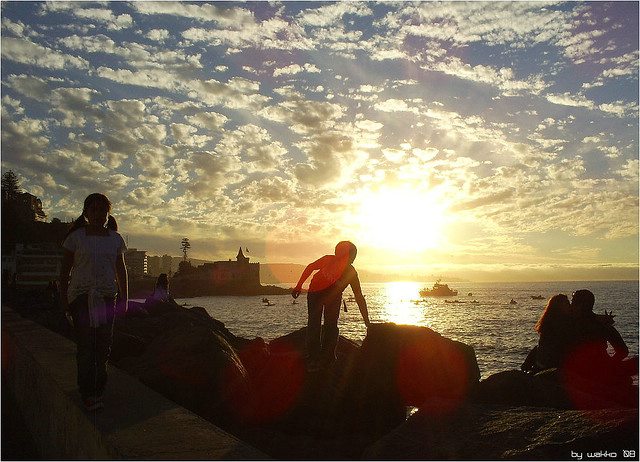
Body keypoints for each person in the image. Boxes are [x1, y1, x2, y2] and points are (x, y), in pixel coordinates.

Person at [59, 193, 128, 411]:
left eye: (103, 210)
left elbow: (121, 270)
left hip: (107, 296)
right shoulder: (76, 238)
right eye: (94, 210)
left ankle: (98, 390)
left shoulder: (116, 239)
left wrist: (125, 297)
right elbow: (64, 272)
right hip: (81, 296)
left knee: (104, 345)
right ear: (86, 213)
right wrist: (63, 300)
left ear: (108, 214)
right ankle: (88, 392)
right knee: (86, 345)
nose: (99, 214)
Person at [292, 241, 370, 371]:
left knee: (331, 325)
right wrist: (299, 285)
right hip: (315, 293)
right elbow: (311, 267)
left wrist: (366, 320)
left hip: (333, 296)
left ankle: (328, 357)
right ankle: (313, 357)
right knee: (314, 324)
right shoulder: (328, 260)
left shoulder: (351, 273)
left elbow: (359, 296)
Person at [565, 289, 637, 384]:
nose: (571, 305)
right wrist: (610, 364)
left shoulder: (571, 324)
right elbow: (623, 351)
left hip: (585, 370)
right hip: (598, 369)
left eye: (573, 302)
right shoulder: (603, 324)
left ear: (581, 305)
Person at [521, 294, 573, 373]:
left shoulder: (548, 322)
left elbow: (540, 347)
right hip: (549, 365)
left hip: (541, 362)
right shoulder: (560, 324)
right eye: (567, 303)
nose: (570, 305)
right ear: (559, 307)